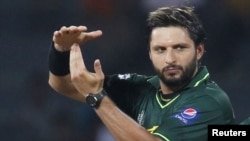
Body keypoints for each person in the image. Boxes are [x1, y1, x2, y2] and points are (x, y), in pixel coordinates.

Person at [48, 6, 236, 141]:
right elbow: (62, 84)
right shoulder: (140, 89)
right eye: (160, 49)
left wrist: (98, 98)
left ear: (199, 50)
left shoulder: (210, 101)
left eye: (179, 48)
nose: (170, 58)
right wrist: (61, 50)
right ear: (150, 54)